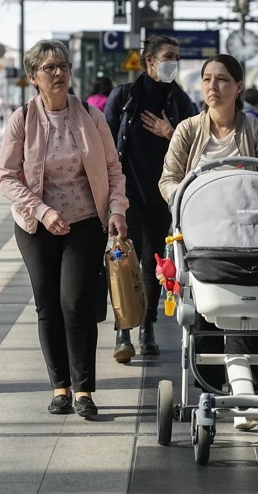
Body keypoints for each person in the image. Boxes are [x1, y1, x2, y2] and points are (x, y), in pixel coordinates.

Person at [0, 40, 129, 419]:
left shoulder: (91, 116)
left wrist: (117, 209)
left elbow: (113, 170)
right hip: (35, 225)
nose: (58, 73)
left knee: (77, 303)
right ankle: (60, 388)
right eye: (49, 68)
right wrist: (40, 210)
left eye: (63, 66)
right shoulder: (22, 119)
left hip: (86, 221)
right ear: (33, 77)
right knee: (48, 306)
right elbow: (6, 177)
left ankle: (84, 390)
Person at [159, 53, 258, 431]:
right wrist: (194, 195)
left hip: (246, 234)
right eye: (208, 79)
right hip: (200, 234)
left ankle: (247, 387)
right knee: (207, 313)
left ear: (238, 87)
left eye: (223, 79)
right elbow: (167, 179)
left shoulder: (256, 131)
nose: (213, 86)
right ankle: (215, 386)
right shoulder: (188, 130)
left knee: (245, 304)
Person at [104, 36, 197, 363]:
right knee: (123, 262)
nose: (173, 62)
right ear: (149, 62)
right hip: (127, 194)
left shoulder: (180, 101)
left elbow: (197, 147)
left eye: (177, 56)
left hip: (162, 195)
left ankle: (147, 327)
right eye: (168, 56)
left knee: (155, 265)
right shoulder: (124, 96)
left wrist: (170, 132)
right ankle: (123, 330)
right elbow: (106, 146)